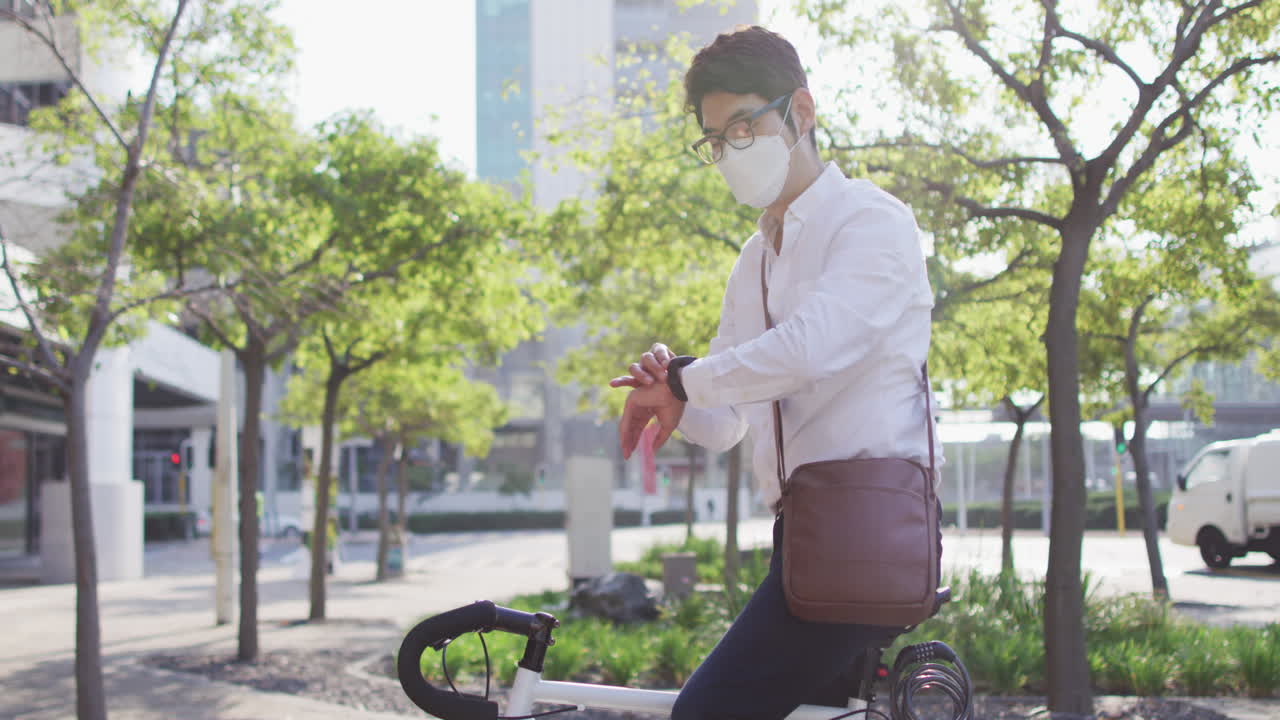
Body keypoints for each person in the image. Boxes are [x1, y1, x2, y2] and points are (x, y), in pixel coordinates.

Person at [609, 26, 941, 719]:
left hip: (867, 527)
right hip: (803, 536)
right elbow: (730, 422)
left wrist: (686, 378)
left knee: (702, 713)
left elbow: (805, 351)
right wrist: (679, 403)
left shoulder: (873, 223)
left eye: (744, 125)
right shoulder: (752, 262)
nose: (730, 150)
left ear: (802, 112)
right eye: (714, 138)